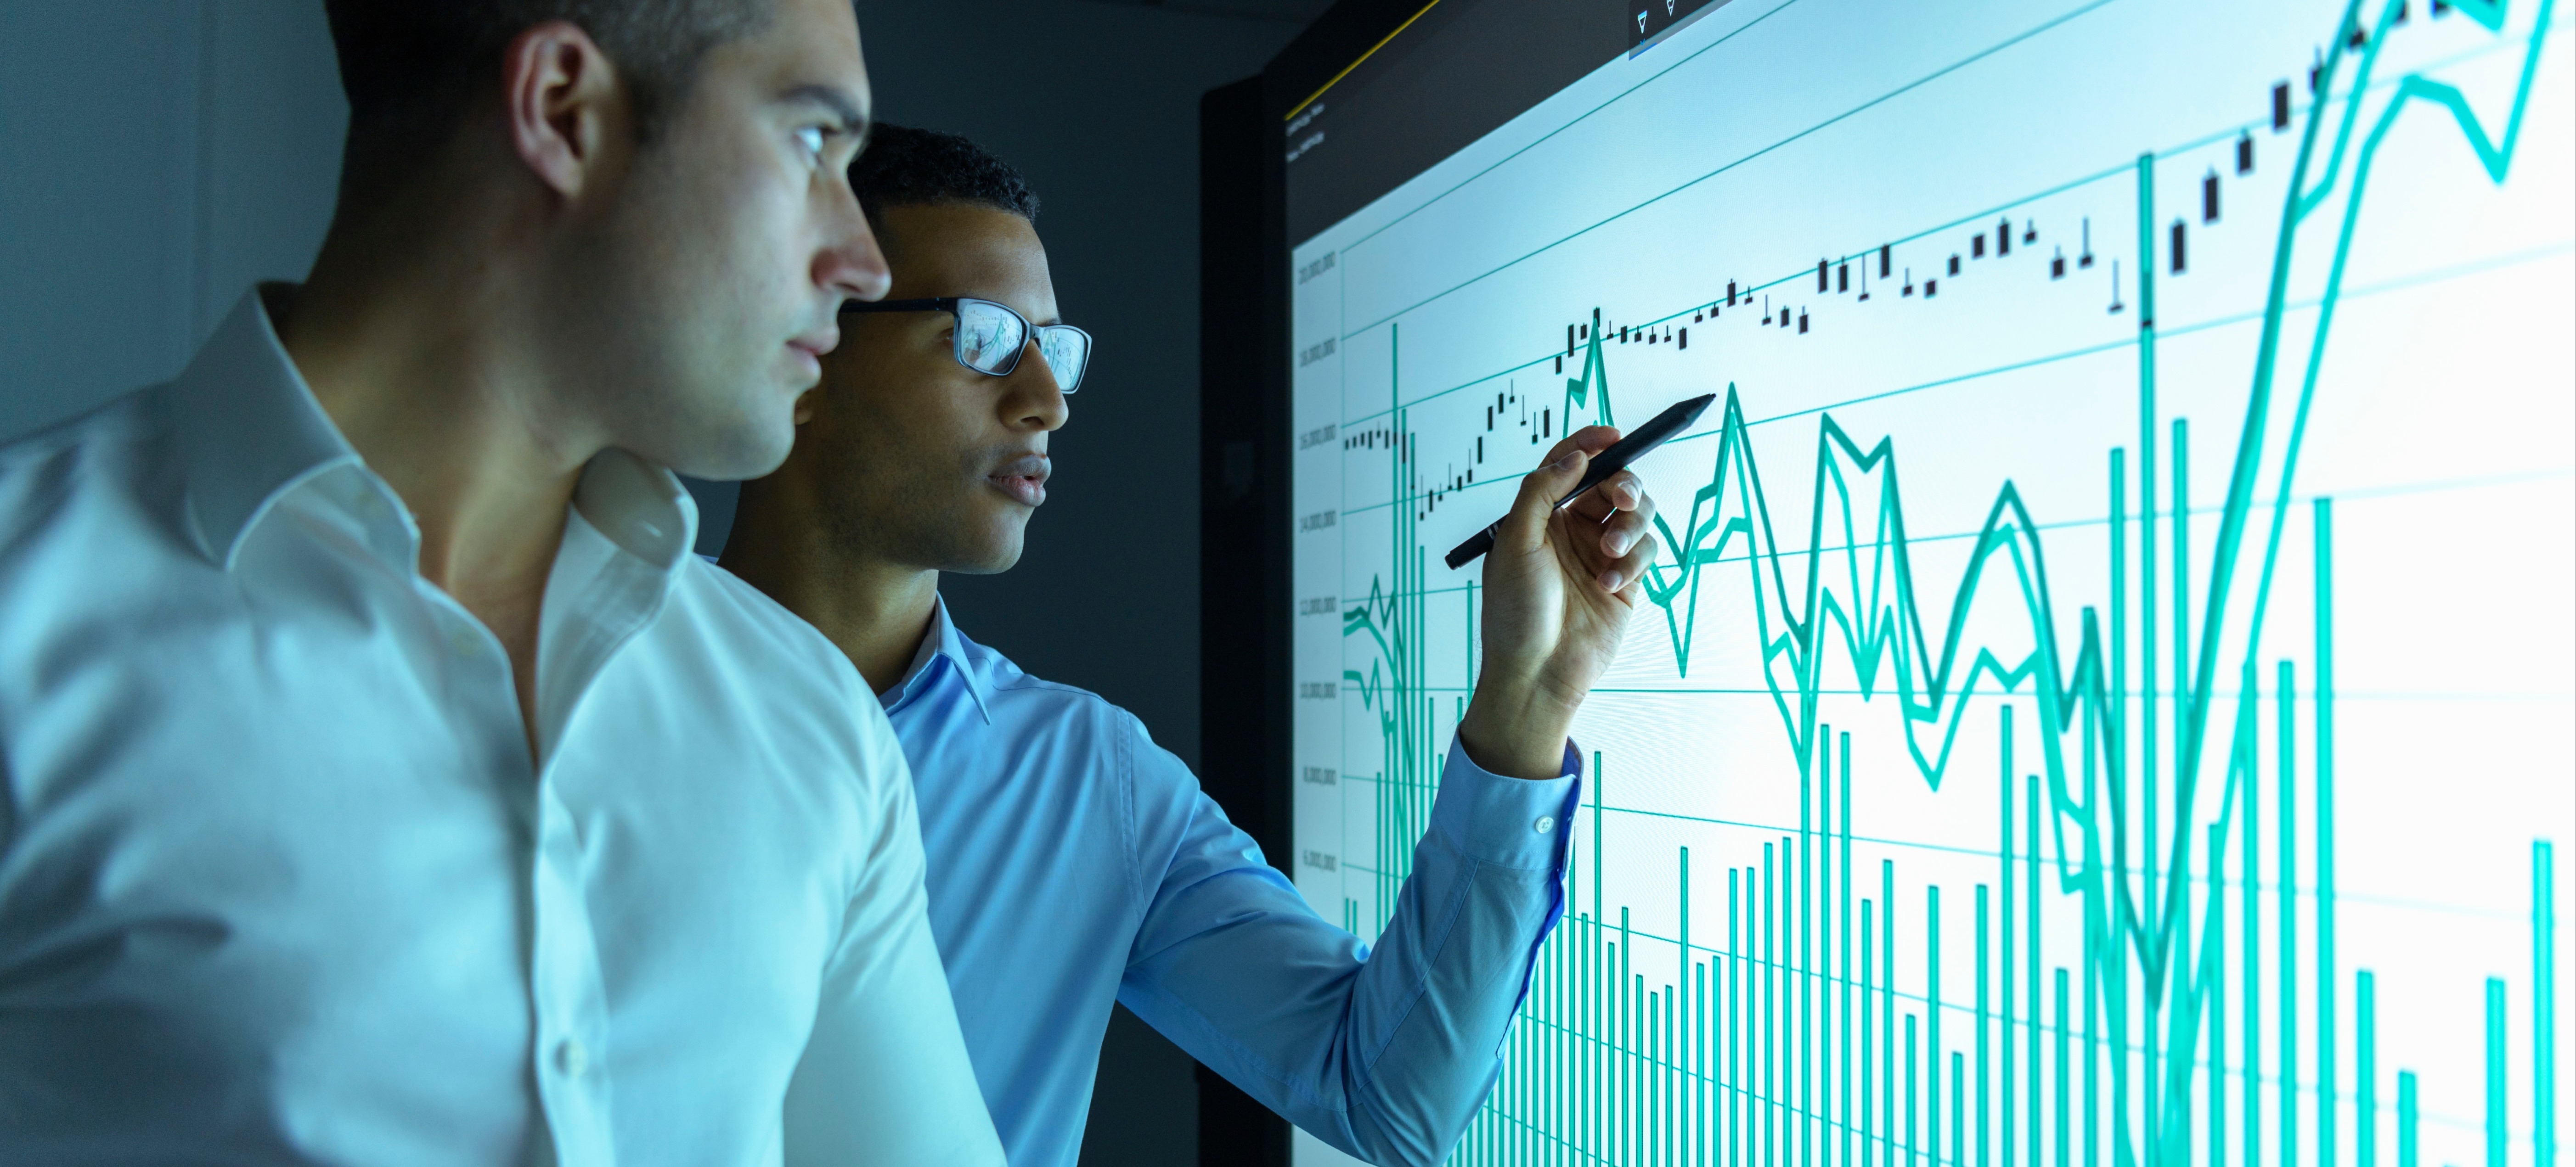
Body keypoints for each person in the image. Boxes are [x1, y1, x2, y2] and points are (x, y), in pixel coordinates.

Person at [0, 4, 1001, 1164]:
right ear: (564, 112)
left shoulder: (808, 724)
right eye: (813, 144)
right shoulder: (28, 622)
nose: (864, 260)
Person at [719, 126, 1664, 1167]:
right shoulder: (569, 705)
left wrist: (1526, 702)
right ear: (799, 343)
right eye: (983, 336)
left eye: (1056, 349)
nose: (1048, 401)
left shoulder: (1092, 780)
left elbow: (1389, 1098)